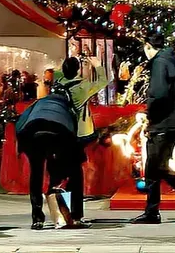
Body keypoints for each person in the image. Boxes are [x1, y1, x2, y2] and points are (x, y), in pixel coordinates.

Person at [131, 32, 175, 224]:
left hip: (163, 122)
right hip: (169, 121)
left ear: (147, 46)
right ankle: (158, 208)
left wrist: (149, 115)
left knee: (155, 167)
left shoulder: (159, 64)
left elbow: (158, 94)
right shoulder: (167, 61)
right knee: (156, 167)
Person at [17, 78, 86, 230]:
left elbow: (21, 122)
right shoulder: (68, 108)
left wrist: (21, 147)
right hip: (59, 135)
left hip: (32, 135)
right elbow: (74, 135)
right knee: (69, 172)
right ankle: (72, 216)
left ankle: (37, 219)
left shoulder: (38, 103)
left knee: (36, 174)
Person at [53, 56, 110, 224]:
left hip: (60, 133)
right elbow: (104, 81)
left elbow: (57, 72)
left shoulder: (58, 84)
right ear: (78, 70)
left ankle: (62, 214)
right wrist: (97, 64)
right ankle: (75, 216)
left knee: (62, 174)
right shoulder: (81, 87)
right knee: (75, 176)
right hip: (77, 135)